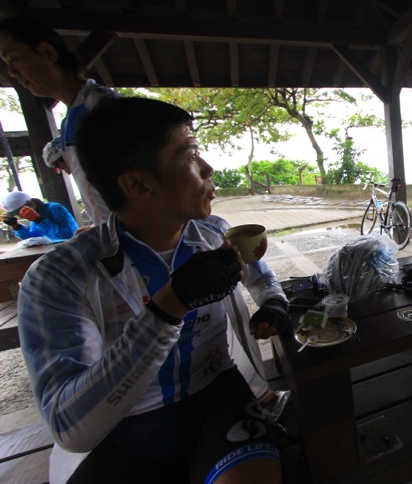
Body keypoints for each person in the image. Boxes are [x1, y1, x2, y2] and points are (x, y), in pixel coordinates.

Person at [17, 97, 292, 484]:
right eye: (190, 153)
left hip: (219, 398)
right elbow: (71, 427)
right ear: (137, 183)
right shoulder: (61, 277)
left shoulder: (215, 235)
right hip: (125, 430)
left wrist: (274, 303)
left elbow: (262, 277)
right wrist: (170, 305)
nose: (208, 167)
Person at [0, 14, 118, 225]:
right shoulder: (70, 121)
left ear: (47, 52)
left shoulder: (100, 106)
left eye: (14, 59)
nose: (11, 72)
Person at [1, 190, 78, 240]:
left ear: (30, 205)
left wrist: (39, 220)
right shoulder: (35, 216)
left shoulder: (54, 208)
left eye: (20, 213)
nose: (21, 216)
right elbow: (34, 238)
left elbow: (68, 235)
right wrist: (16, 226)